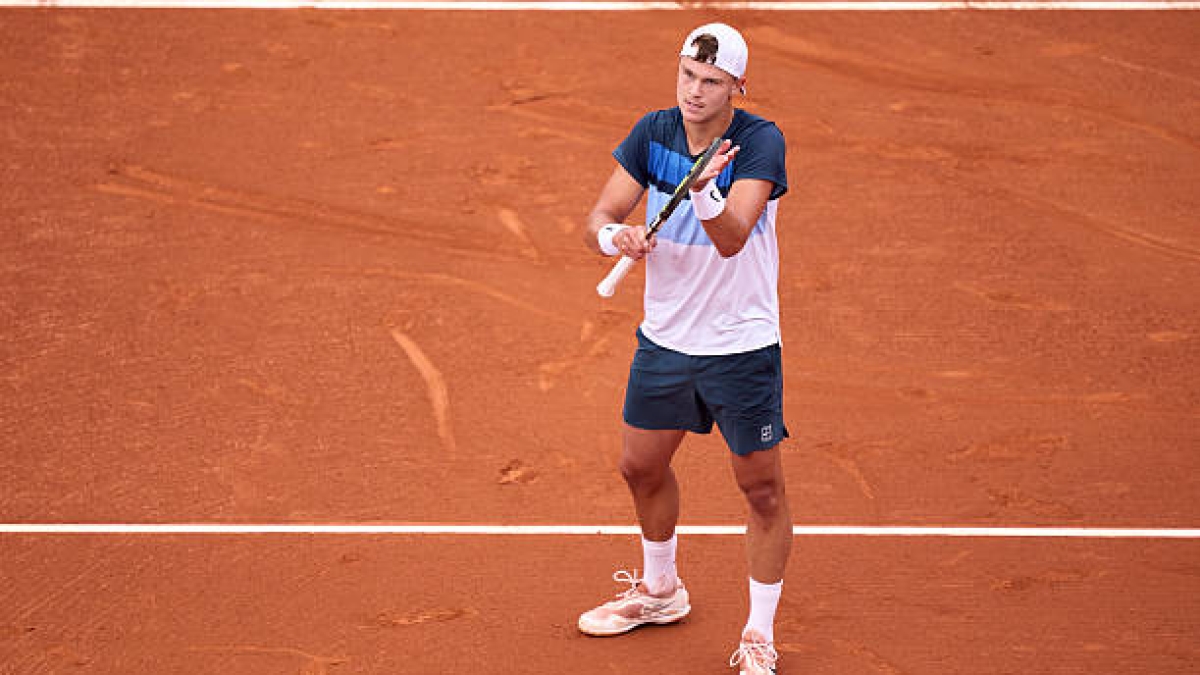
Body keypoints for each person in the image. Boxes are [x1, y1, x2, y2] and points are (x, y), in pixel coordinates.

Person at [578, 22, 791, 675]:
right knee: (639, 467)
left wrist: (701, 190)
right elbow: (596, 219)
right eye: (687, 76)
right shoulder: (654, 132)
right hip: (667, 339)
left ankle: (758, 632)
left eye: (711, 82)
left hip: (740, 346)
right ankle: (662, 590)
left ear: (737, 87)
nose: (695, 92)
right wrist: (619, 238)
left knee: (760, 488)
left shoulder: (758, 142)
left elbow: (731, 236)